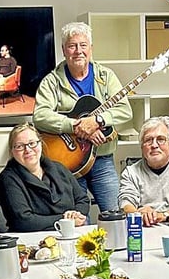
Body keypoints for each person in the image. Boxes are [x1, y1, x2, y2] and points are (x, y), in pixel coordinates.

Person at [34, 21, 133, 212]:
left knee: (115, 213)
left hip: (102, 158)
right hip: (67, 162)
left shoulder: (106, 76)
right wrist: (75, 126)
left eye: (83, 45)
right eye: (72, 46)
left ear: (91, 48)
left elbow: (124, 110)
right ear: (64, 50)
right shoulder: (52, 81)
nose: (78, 51)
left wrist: (97, 120)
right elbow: (40, 116)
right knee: (77, 218)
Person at [0, 123, 89, 232]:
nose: (28, 150)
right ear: (12, 151)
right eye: (20, 146)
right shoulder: (7, 179)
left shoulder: (59, 168)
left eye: (32, 143)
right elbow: (22, 221)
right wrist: (65, 220)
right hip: (30, 238)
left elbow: (82, 199)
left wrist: (75, 215)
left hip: (70, 233)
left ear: (40, 143)